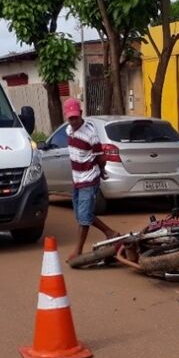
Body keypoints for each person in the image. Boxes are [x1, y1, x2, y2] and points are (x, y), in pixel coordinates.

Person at [62, 98, 119, 262]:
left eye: (75, 117)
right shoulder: (68, 131)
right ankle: (110, 232)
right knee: (81, 214)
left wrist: (101, 171)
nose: (73, 121)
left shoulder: (90, 134)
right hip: (77, 179)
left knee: (84, 215)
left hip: (89, 178)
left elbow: (101, 158)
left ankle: (78, 250)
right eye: (70, 118)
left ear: (80, 114)